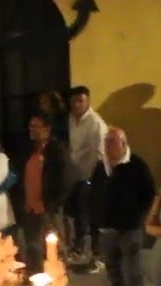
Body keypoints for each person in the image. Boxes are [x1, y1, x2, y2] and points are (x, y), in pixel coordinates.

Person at [89, 127, 156, 286]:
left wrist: (139, 217)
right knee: (113, 269)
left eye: (112, 142)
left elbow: (149, 194)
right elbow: (94, 194)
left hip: (130, 227)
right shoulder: (100, 167)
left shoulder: (137, 165)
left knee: (133, 270)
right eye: (106, 142)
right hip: (107, 228)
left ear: (123, 144)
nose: (108, 146)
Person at [16, 112, 72, 275]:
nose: (32, 130)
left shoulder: (56, 150)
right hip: (30, 207)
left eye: (37, 126)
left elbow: (64, 180)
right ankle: (36, 279)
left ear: (47, 129)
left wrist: (54, 203)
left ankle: (57, 281)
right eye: (31, 126)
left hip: (49, 207)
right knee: (32, 245)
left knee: (55, 246)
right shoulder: (27, 149)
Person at [66, 86, 108, 271]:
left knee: (94, 218)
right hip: (76, 175)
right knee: (79, 215)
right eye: (74, 101)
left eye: (80, 101)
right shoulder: (71, 119)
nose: (76, 104)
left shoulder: (96, 123)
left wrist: (94, 179)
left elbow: (100, 153)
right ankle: (79, 250)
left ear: (88, 101)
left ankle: (98, 256)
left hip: (91, 176)